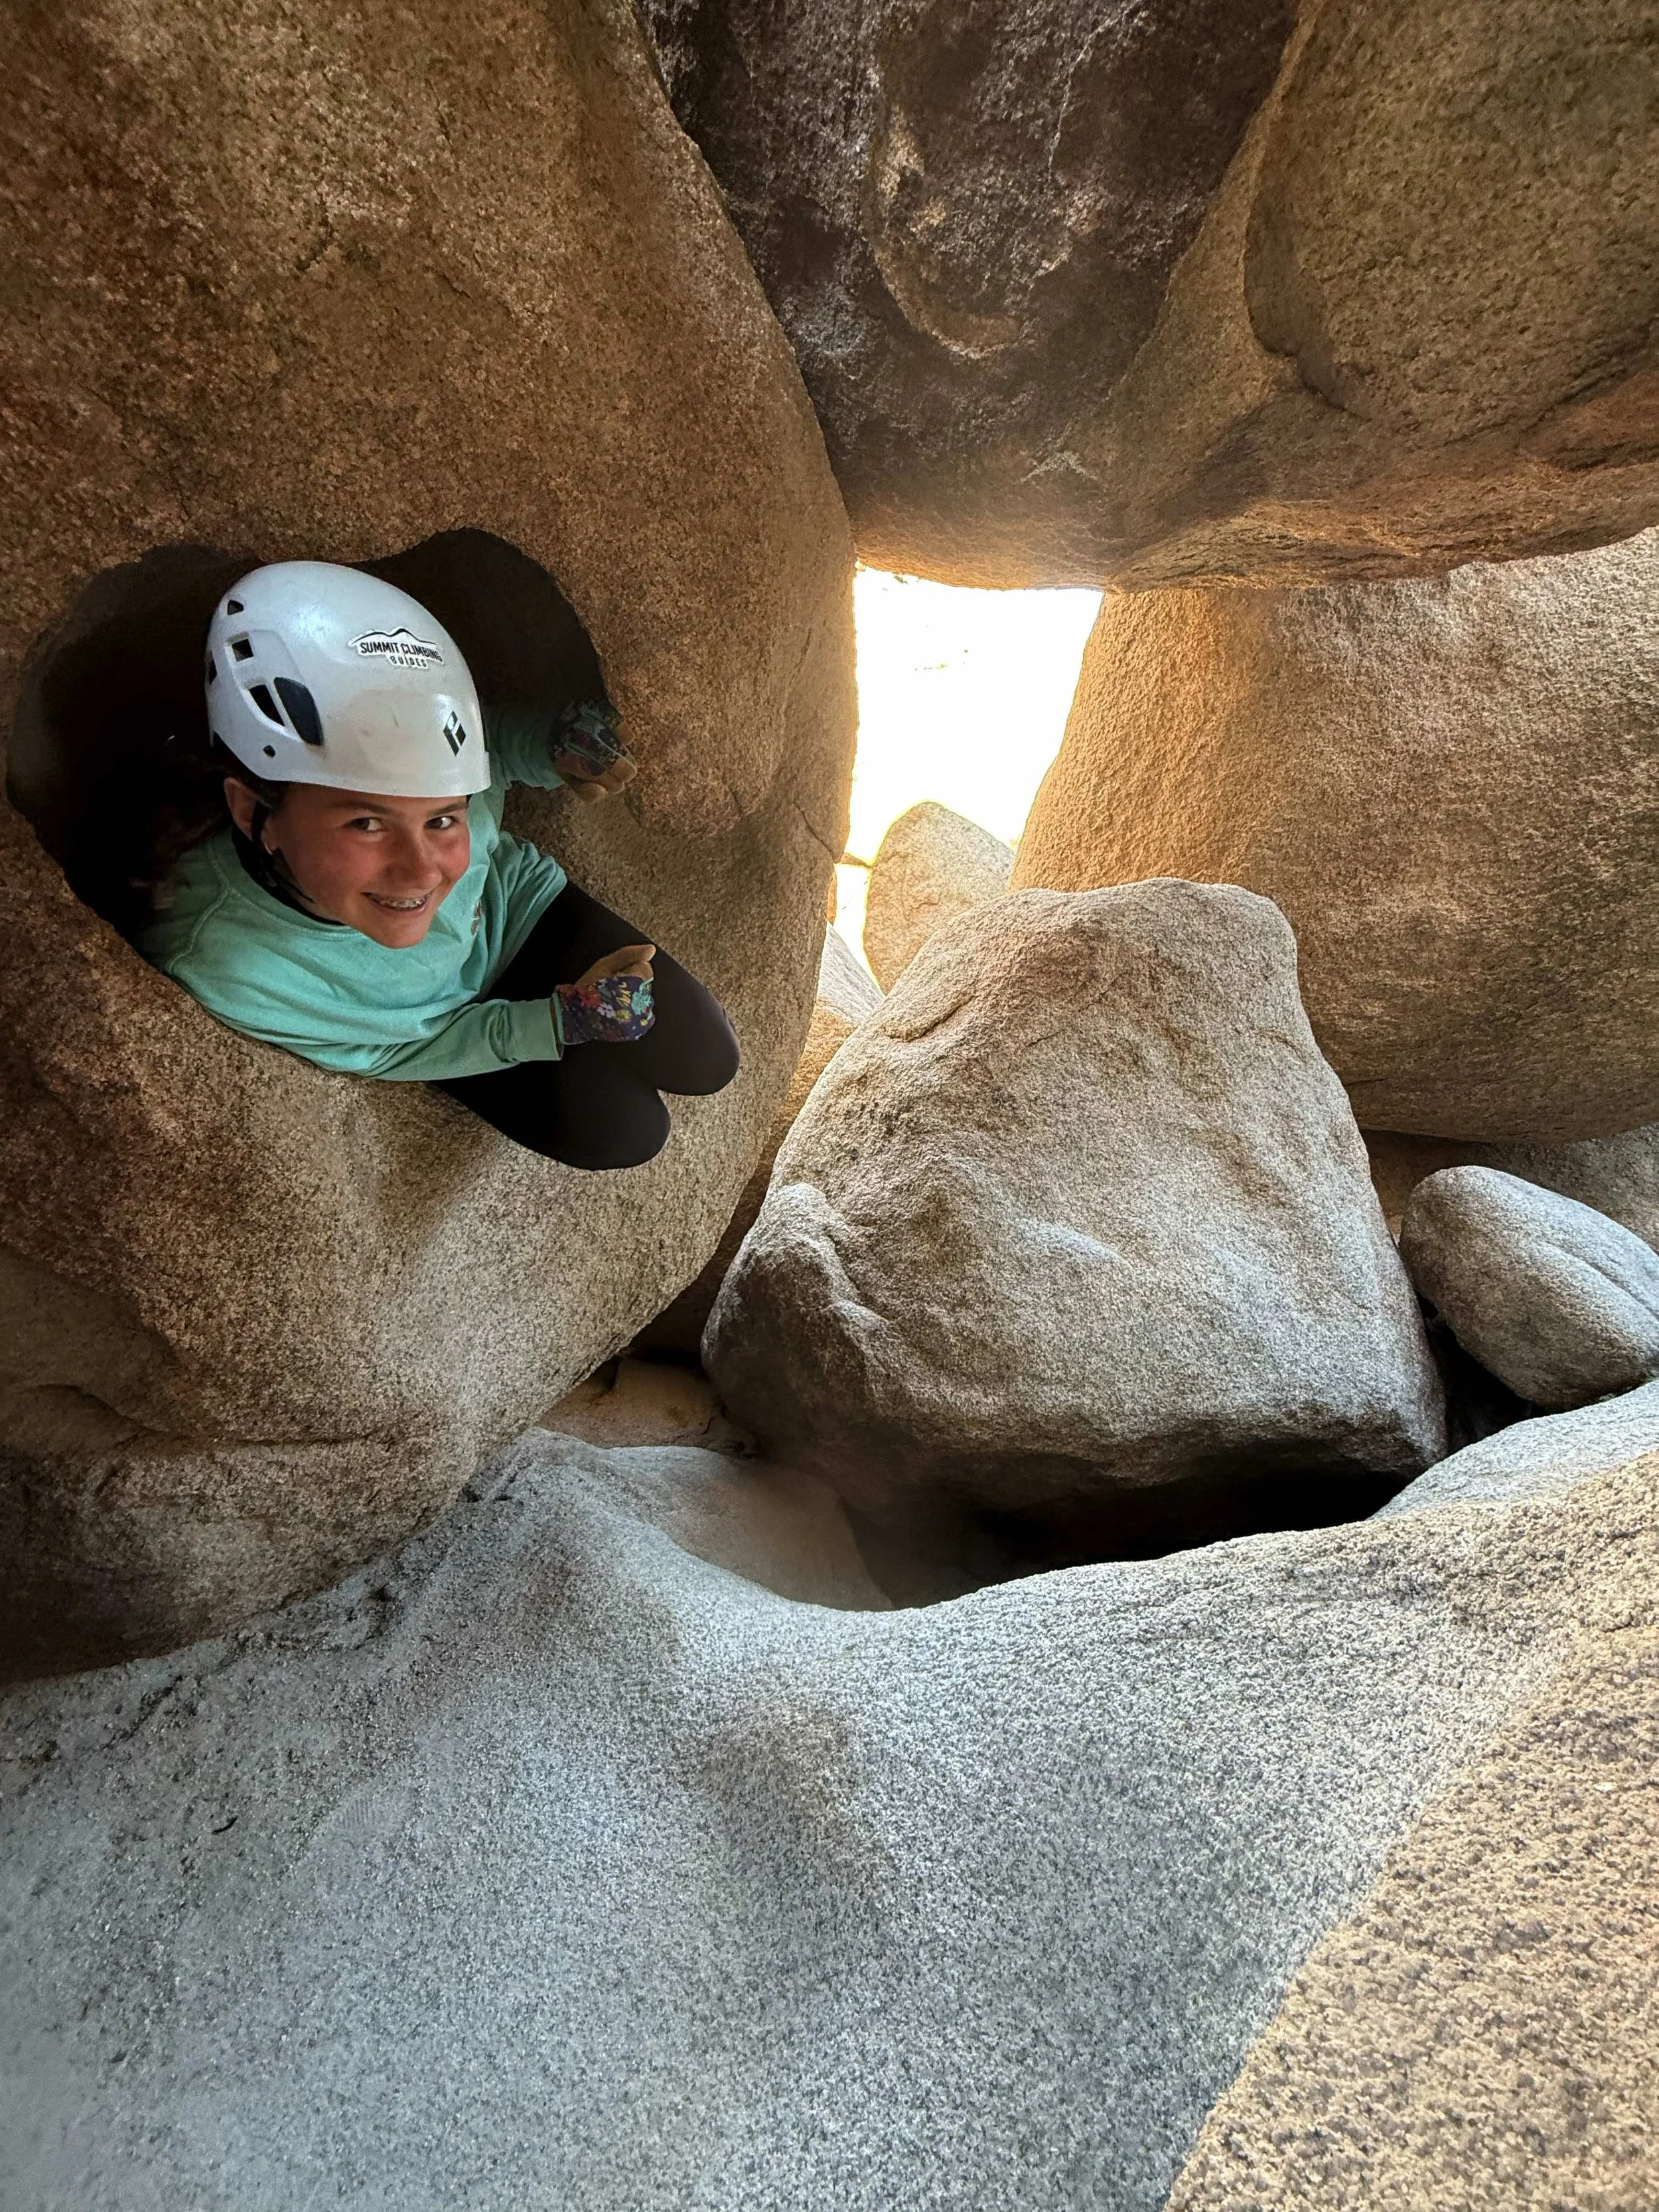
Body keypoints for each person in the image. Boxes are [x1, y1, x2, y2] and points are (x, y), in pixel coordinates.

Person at [137, 560, 738, 1168]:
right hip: (440, 1019)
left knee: (708, 1055)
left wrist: (552, 747)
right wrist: (560, 1021)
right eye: (366, 823)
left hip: (508, 911)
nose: (423, 872)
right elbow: (395, 1051)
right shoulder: (229, 965)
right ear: (251, 811)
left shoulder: (430, 821)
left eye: (443, 818)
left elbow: (485, 755)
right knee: (628, 1133)